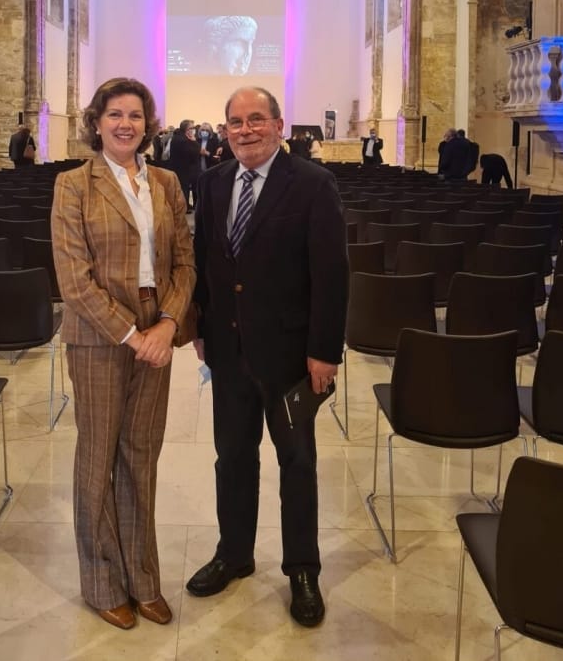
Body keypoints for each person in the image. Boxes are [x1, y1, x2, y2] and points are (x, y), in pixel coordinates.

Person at [186, 86, 348, 627]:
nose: (246, 130)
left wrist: (324, 353)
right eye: (236, 122)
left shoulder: (313, 184)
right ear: (224, 129)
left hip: (291, 360)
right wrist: (202, 327)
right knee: (232, 458)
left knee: (297, 463)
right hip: (229, 355)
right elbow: (206, 259)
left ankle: (302, 568)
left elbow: (331, 275)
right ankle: (234, 553)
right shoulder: (210, 184)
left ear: (280, 125)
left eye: (257, 119)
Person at [51, 77, 195, 631]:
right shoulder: (73, 185)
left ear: (148, 124)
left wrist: (166, 323)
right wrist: (132, 336)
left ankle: (143, 577)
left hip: (155, 328)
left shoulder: (165, 180)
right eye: (115, 114)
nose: (125, 124)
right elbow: (74, 279)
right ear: (97, 121)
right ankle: (103, 581)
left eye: (135, 115)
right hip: (98, 337)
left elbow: (185, 262)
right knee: (98, 458)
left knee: (141, 457)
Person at [166, 119, 201, 210]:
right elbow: (195, 152)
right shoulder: (183, 140)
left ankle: (186, 206)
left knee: (183, 188)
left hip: (180, 168)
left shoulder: (178, 137)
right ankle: (184, 207)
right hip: (183, 169)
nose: (193, 130)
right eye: (191, 128)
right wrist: (194, 141)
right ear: (186, 129)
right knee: (183, 188)